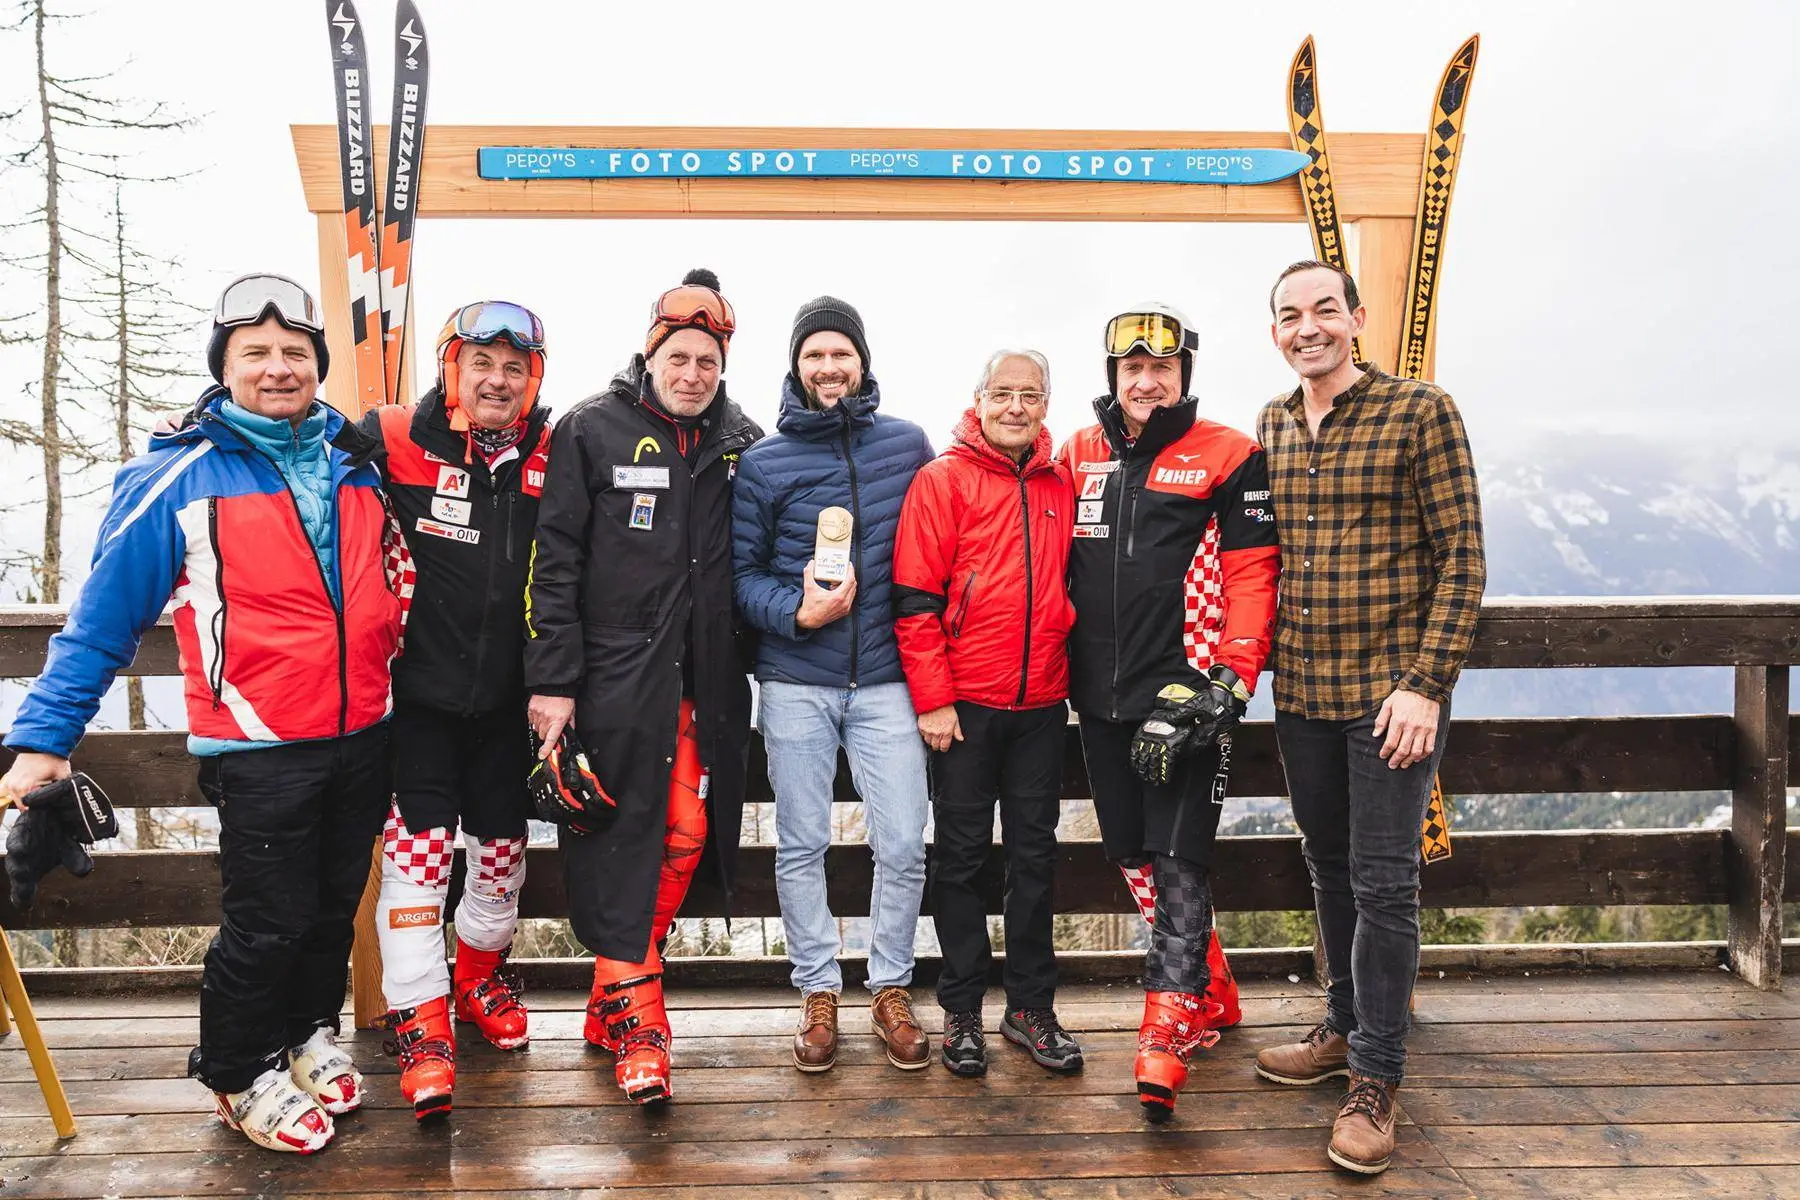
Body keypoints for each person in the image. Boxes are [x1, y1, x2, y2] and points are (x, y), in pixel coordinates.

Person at [1, 273, 406, 1153]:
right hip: (258, 744)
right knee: (267, 921)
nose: (278, 367)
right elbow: (101, 623)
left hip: (363, 732)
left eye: (294, 352)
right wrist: (41, 742)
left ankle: (305, 1034)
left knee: (332, 909)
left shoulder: (355, 463)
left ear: (318, 365)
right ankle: (236, 1069)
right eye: (255, 352)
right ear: (224, 367)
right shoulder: (177, 476)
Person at [1252, 260, 1485, 1175]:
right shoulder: (1273, 421)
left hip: (1391, 699)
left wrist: (1426, 684)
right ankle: (1345, 1027)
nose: (1306, 327)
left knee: (1386, 883)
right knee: (1328, 866)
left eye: (1323, 309)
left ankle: (1377, 1078)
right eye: (1289, 315)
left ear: (1355, 317)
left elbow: (1462, 559)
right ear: (1275, 332)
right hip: (1302, 691)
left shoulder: (1421, 411)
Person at [525, 269, 762, 1106]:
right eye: (679, 357)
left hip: (705, 684)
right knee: (621, 843)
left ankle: (612, 988)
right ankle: (640, 1023)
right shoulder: (592, 428)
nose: (693, 374)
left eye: (708, 361)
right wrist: (554, 681)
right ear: (651, 354)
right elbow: (553, 562)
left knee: (687, 837)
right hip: (613, 683)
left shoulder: (742, 442)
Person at [1057, 303, 1279, 1122]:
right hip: (1098, 700)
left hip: (1189, 699)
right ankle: (1214, 990)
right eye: (1132, 369)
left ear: (1184, 375)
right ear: (1112, 376)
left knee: (1180, 857)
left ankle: (1168, 1025)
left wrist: (1230, 680)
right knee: (1132, 854)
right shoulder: (1077, 453)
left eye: (1162, 368)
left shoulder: (1229, 453)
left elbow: (1253, 573)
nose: (1146, 382)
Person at [732, 296, 937, 1073]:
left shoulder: (908, 445)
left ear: (861, 361)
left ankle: (889, 986)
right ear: (796, 366)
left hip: (887, 679)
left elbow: (935, 551)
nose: (828, 367)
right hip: (795, 680)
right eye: (813, 355)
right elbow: (741, 579)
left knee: (902, 843)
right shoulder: (765, 462)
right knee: (801, 843)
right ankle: (818, 988)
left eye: (839, 354)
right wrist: (799, 613)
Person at [360, 301, 552, 1121]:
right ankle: (420, 1020)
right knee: (419, 864)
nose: (497, 381)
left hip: (510, 706)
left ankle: (478, 977)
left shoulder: (553, 448)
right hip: (420, 704)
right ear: (451, 369)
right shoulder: (394, 434)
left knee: (503, 860)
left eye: (514, 368)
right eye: (481, 364)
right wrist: (198, 421)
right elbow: (290, 440)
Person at [893, 349, 1081, 1077]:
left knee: (1036, 857)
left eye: (1029, 395)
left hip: (1042, 704)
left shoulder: (1060, 482)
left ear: (1045, 404)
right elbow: (915, 599)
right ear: (978, 399)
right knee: (962, 858)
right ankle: (963, 1009)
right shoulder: (943, 479)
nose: (1015, 407)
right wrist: (934, 699)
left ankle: (1030, 1008)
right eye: (1002, 393)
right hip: (964, 707)